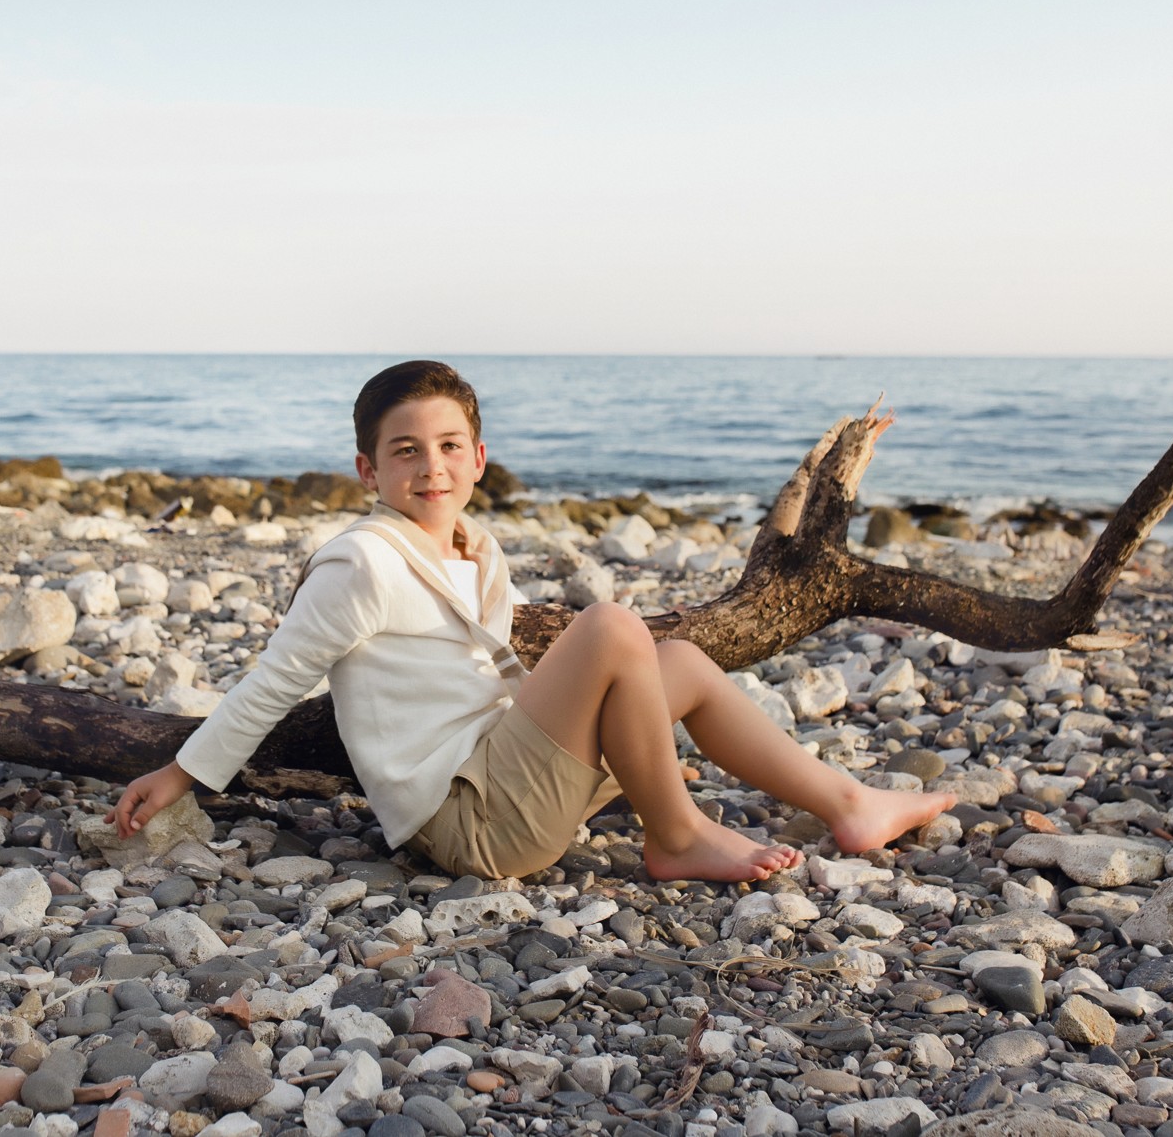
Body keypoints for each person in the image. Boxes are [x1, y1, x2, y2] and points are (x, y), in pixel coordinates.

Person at [107, 361, 954, 883]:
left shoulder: (477, 545)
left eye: (448, 446)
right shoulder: (359, 563)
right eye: (405, 450)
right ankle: (678, 834)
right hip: (468, 818)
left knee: (685, 662)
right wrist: (182, 774)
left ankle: (848, 803)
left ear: (479, 459)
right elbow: (273, 680)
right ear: (368, 469)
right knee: (614, 628)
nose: (430, 466)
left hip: (508, 772)